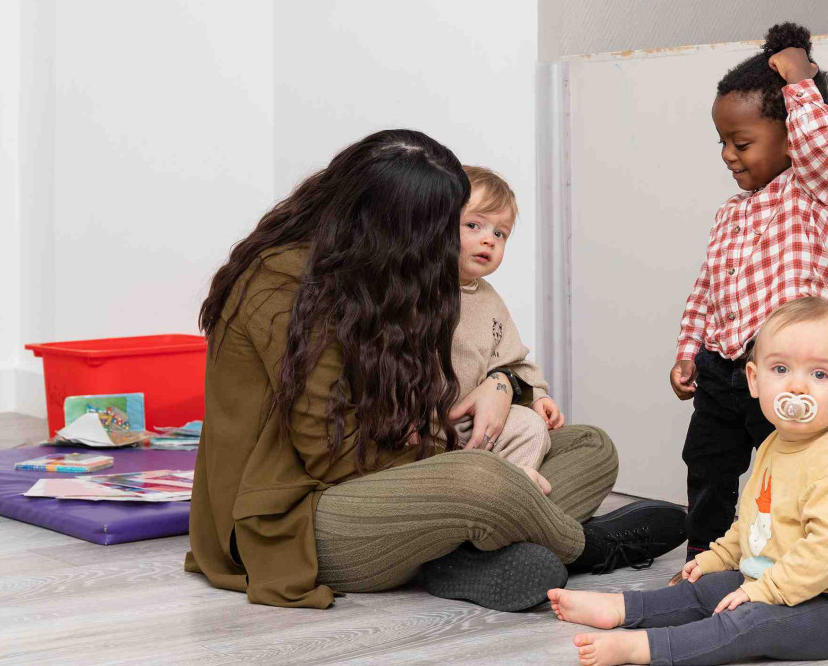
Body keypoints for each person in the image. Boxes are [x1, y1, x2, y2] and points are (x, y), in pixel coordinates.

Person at [186, 129, 686, 612]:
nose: (450, 243)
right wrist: (475, 469)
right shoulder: (281, 283)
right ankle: (584, 548)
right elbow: (332, 455)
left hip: (405, 467)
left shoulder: (383, 269)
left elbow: (451, 381)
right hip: (300, 513)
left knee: (590, 446)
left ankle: (459, 558)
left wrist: (502, 384)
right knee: (482, 481)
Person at [549, 297, 828, 666]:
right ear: (754, 380)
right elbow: (754, 522)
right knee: (707, 589)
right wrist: (720, 557)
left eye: (820, 375)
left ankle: (644, 646)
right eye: (781, 369)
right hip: (781, 582)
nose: (798, 387)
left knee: (748, 622)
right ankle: (621, 608)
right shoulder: (775, 445)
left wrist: (765, 591)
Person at [669, 22, 828, 563]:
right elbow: (706, 290)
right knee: (706, 465)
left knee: (791, 468)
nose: (728, 154)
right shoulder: (731, 212)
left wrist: (799, 82)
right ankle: (705, 557)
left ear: (791, 135)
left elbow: (818, 143)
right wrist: (686, 354)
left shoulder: (811, 192)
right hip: (723, 370)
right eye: (722, 141)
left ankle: (786, 561)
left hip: (784, 372)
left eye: (741, 142)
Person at [449, 165, 563, 495]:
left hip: (476, 428)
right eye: (474, 225)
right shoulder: (417, 293)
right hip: (426, 432)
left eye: (500, 234)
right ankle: (512, 498)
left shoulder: (489, 300)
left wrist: (537, 396)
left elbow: (512, 361)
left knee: (530, 427)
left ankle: (508, 494)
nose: (489, 239)